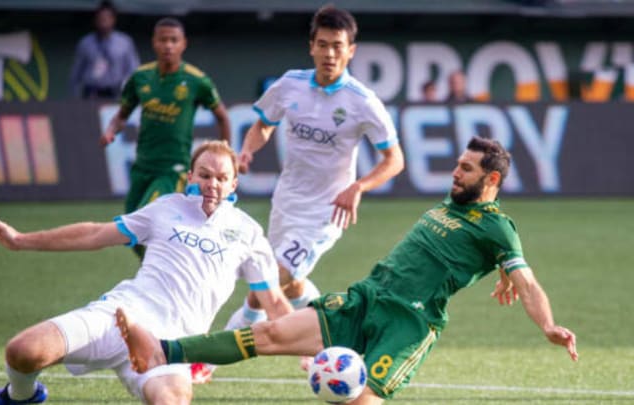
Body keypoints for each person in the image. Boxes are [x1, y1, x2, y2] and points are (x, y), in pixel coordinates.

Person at [115, 136, 579, 405]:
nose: (455, 173)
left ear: (491, 180)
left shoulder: (498, 227)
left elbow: (528, 281)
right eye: (457, 165)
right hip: (366, 296)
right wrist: (497, 269)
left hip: (408, 324)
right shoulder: (454, 203)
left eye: (466, 169)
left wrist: (549, 325)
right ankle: (161, 350)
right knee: (270, 336)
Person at [0, 140, 293, 405]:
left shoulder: (249, 233)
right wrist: (20, 240)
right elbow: (95, 234)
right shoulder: (166, 208)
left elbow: (275, 305)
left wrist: (316, 352)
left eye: (222, 178)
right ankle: (20, 398)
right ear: (190, 178)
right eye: (205, 175)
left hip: (170, 347)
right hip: (120, 315)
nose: (213, 184)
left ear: (234, 184)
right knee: (22, 352)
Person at [225, 5, 404, 336]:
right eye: (322, 44)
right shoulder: (289, 85)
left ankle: (207, 360)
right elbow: (263, 126)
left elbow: (394, 159)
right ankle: (327, 335)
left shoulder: (363, 101)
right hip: (287, 201)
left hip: (327, 210)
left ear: (351, 51)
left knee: (264, 283)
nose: (330, 54)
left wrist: (358, 188)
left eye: (338, 46)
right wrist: (247, 151)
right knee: (291, 286)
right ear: (311, 46)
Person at [100, 16, 231, 260]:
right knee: (130, 233)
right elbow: (120, 116)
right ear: (154, 43)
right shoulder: (140, 78)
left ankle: (169, 275)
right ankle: (161, 271)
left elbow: (222, 117)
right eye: (163, 40)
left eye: (174, 40)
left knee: (145, 218)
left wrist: (226, 155)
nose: (168, 45)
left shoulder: (196, 80)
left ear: (183, 44)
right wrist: (111, 130)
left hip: (174, 168)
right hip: (143, 166)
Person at [69, 0, 140, 99]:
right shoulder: (86, 43)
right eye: (100, 18)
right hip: (91, 94)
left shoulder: (125, 42)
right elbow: (76, 74)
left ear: (113, 19)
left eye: (107, 17)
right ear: (95, 19)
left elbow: (133, 70)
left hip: (116, 94)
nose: (103, 21)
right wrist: (75, 98)